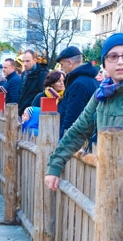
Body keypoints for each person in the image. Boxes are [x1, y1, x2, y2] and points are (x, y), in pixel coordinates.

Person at [45, 33, 123, 191]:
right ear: (104, 63)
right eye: (113, 56)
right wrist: (55, 164)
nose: (120, 61)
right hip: (108, 183)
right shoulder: (101, 96)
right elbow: (78, 130)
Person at [55, 46, 99, 139]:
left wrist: (63, 141)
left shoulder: (78, 84)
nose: (62, 68)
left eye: (62, 64)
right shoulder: (91, 79)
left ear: (70, 63)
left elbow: (72, 116)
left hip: (78, 140)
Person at [17, 49, 48, 116]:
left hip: (34, 113)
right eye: (23, 61)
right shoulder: (24, 74)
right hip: (23, 112)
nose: (25, 64)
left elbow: (43, 95)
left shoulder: (42, 74)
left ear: (35, 60)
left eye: (28, 61)